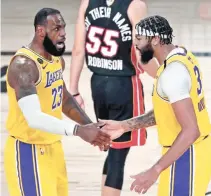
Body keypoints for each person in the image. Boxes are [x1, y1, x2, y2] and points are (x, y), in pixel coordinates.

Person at [99, 15, 211, 195]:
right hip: (189, 151)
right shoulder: (182, 55)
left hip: (186, 156)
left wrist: (155, 170)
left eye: (139, 38)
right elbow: (167, 112)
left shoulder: (172, 74)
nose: (134, 43)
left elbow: (191, 130)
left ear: (156, 39)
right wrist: (124, 125)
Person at [4, 8, 111, 196]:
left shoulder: (56, 60)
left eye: (63, 28)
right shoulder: (24, 66)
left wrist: (91, 127)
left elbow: (63, 98)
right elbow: (34, 118)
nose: (63, 34)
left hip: (53, 148)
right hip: (28, 150)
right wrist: (79, 131)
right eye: (56, 29)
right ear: (40, 31)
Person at [69, 0, 151, 195]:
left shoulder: (87, 3)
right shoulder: (135, 5)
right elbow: (142, 53)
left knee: (114, 148)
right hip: (123, 85)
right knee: (118, 155)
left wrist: (73, 90)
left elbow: (78, 50)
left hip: (97, 84)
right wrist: (163, 73)